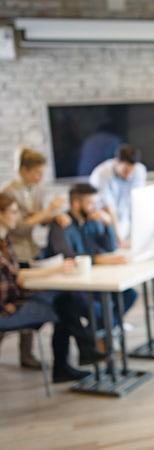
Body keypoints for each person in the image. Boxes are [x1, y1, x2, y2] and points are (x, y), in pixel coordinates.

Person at [0, 192, 106, 383]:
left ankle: (79, 353)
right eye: (14, 212)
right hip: (7, 310)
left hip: (16, 300)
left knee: (64, 300)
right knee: (63, 304)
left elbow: (17, 277)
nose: (18, 217)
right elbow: (19, 278)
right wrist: (55, 269)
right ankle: (78, 354)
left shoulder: (5, 241)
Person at [0, 147, 68, 370]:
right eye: (37, 173)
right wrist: (48, 210)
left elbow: (39, 220)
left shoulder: (36, 190)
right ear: (24, 170)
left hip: (30, 250)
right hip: (16, 251)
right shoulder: (11, 193)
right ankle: (26, 353)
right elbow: (19, 227)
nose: (40, 177)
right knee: (19, 293)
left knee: (28, 292)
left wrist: (54, 216)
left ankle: (26, 354)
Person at [43, 183, 137, 330]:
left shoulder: (91, 221)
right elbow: (66, 255)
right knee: (97, 309)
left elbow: (110, 247)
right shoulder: (62, 223)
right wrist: (100, 260)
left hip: (93, 280)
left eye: (96, 203)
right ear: (75, 203)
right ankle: (100, 337)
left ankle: (101, 334)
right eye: (90, 203)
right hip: (71, 286)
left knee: (129, 295)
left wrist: (107, 224)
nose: (95, 207)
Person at [89, 143, 147, 249]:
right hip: (103, 224)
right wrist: (120, 240)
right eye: (125, 171)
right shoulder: (102, 174)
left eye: (131, 171)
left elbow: (138, 202)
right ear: (116, 162)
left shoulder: (139, 171)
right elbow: (109, 209)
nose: (128, 175)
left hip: (123, 221)